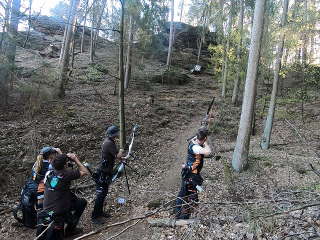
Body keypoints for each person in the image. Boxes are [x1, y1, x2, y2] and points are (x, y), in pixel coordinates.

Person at [36, 153, 89, 239]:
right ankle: (70, 229)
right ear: (64, 165)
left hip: (48, 209)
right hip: (59, 210)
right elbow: (85, 171)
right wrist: (75, 159)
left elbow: (58, 163)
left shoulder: (49, 172)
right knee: (81, 203)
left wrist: (62, 155)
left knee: (79, 202)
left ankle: (68, 223)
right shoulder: (66, 174)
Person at [175, 127, 212, 219]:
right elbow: (208, 152)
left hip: (192, 173)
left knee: (188, 194)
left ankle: (183, 214)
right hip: (190, 174)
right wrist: (206, 142)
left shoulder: (196, 141)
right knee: (185, 194)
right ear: (204, 139)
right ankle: (181, 216)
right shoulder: (195, 147)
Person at [91, 125, 124, 224]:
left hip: (106, 172)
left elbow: (115, 154)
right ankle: (95, 216)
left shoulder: (110, 141)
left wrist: (123, 156)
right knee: (100, 195)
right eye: (117, 132)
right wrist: (121, 151)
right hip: (103, 173)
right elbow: (117, 155)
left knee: (104, 193)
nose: (118, 134)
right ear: (114, 134)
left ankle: (100, 212)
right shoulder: (108, 143)